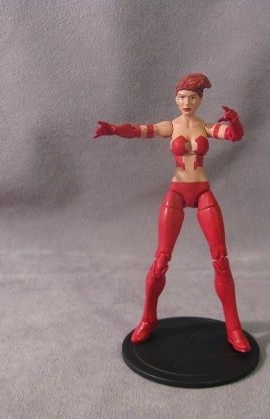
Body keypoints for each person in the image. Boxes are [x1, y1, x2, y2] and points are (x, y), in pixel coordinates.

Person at [94, 73, 250, 352]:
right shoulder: (171, 126)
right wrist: (115, 130)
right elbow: (140, 131)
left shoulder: (205, 127)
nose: (186, 102)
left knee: (221, 259)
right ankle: (147, 319)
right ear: (176, 99)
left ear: (200, 100)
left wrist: (235, 120)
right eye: (182, 97)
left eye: (192, 97)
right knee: (161, 259)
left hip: (202, 191)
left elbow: (234, 136)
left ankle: (233, 328)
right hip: (177, 192)